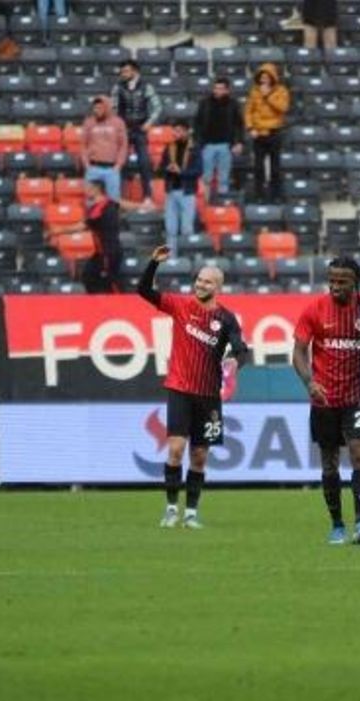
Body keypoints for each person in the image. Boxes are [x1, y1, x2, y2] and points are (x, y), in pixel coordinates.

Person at [137, 245, 250, 529]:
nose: (200, 285)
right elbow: (143, 291)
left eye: (207, 282)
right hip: (179, 389)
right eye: (199, 280)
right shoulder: (180, 305)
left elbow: (241, 349)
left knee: (199, 457)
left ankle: (191, 513)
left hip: (209, 396)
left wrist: (235, 361)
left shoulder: (226, 319)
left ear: (218, 287)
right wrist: (154, 263)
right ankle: (171, 508)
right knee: (175, 449)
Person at [292, 257, 360, 545]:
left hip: (358, 397)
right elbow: (298, 353)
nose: (335, 285)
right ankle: (337, 525)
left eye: (342, 281)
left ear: (355, 282)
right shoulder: (314, 309)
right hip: (324, 399)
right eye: (332, 280)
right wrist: (309, 382)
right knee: (329, 464)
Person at [110, 60, 163, 199]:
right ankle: (119, 196)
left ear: (135, 71)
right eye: (122, 72)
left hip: (140, 129)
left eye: (126, 71)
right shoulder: (117, 87)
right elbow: (113, 108)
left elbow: (158, 107)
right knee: (121, 163)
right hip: (124, 129)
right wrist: (118, 126)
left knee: (144, 163)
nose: (123, 74)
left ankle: (147, 196)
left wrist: (149, 123)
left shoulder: (146, 87)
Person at [245, 63, 291, 202]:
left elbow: (283, 108)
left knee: (275, 168)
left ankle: (275, 195)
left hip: (274, 132)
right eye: (261, 77)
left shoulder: (281, 91)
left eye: (266, 77)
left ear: (272, 77)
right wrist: (250, 128)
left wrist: (268, 96)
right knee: (258, 168)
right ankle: (259, 195)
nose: (263, 80)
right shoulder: (254, 91)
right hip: (258, 134)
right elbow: (248, 111)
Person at [193, 77, 245, 196]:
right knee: (206, 176)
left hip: (226, 145)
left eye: (221, 89)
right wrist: (198, 140)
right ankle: (206, 201)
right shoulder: (204, 103)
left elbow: (239, 124)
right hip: (208, 145)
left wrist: (239, 142)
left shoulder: (233, 104)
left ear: (227, 90)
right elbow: (197, 123)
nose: (217, 91)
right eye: (216, 88)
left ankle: (222, 201)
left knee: (224, 177)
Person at [69, 179, 122, 293]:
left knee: (110, 283)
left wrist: (57, 231)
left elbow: (82, 226)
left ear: (97, 189)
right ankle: (99, 307)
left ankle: (122, 307)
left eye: (88, 188)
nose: (86, 191)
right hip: (101, 252)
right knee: (88, 277)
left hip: (107, 252)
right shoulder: (109, 203)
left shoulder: (99, 207)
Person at [160, 120, 203, 252]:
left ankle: (187, 256)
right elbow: (160, 168)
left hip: (187, 191)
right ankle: (172, 259)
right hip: (171, 190)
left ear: (186, 131)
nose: (176, 133)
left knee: (187, 228)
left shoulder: (194, 148)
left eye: (178, 130)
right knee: (170, 228)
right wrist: (167, 168)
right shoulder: (169, 147)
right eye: (174, 130)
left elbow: (198, 170)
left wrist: (181, 172)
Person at [80, 96, 128, 202]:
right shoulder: (88, 122)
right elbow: (83, 144)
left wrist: (119, 165)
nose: (96, 110)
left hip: (112, 169)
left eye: (100, 108)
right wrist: (86, 164)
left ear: (107, 108)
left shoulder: (118, 123)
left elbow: (123, 145)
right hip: (93, 167)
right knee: (91, 202)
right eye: (95, 108)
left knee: (113, 202)